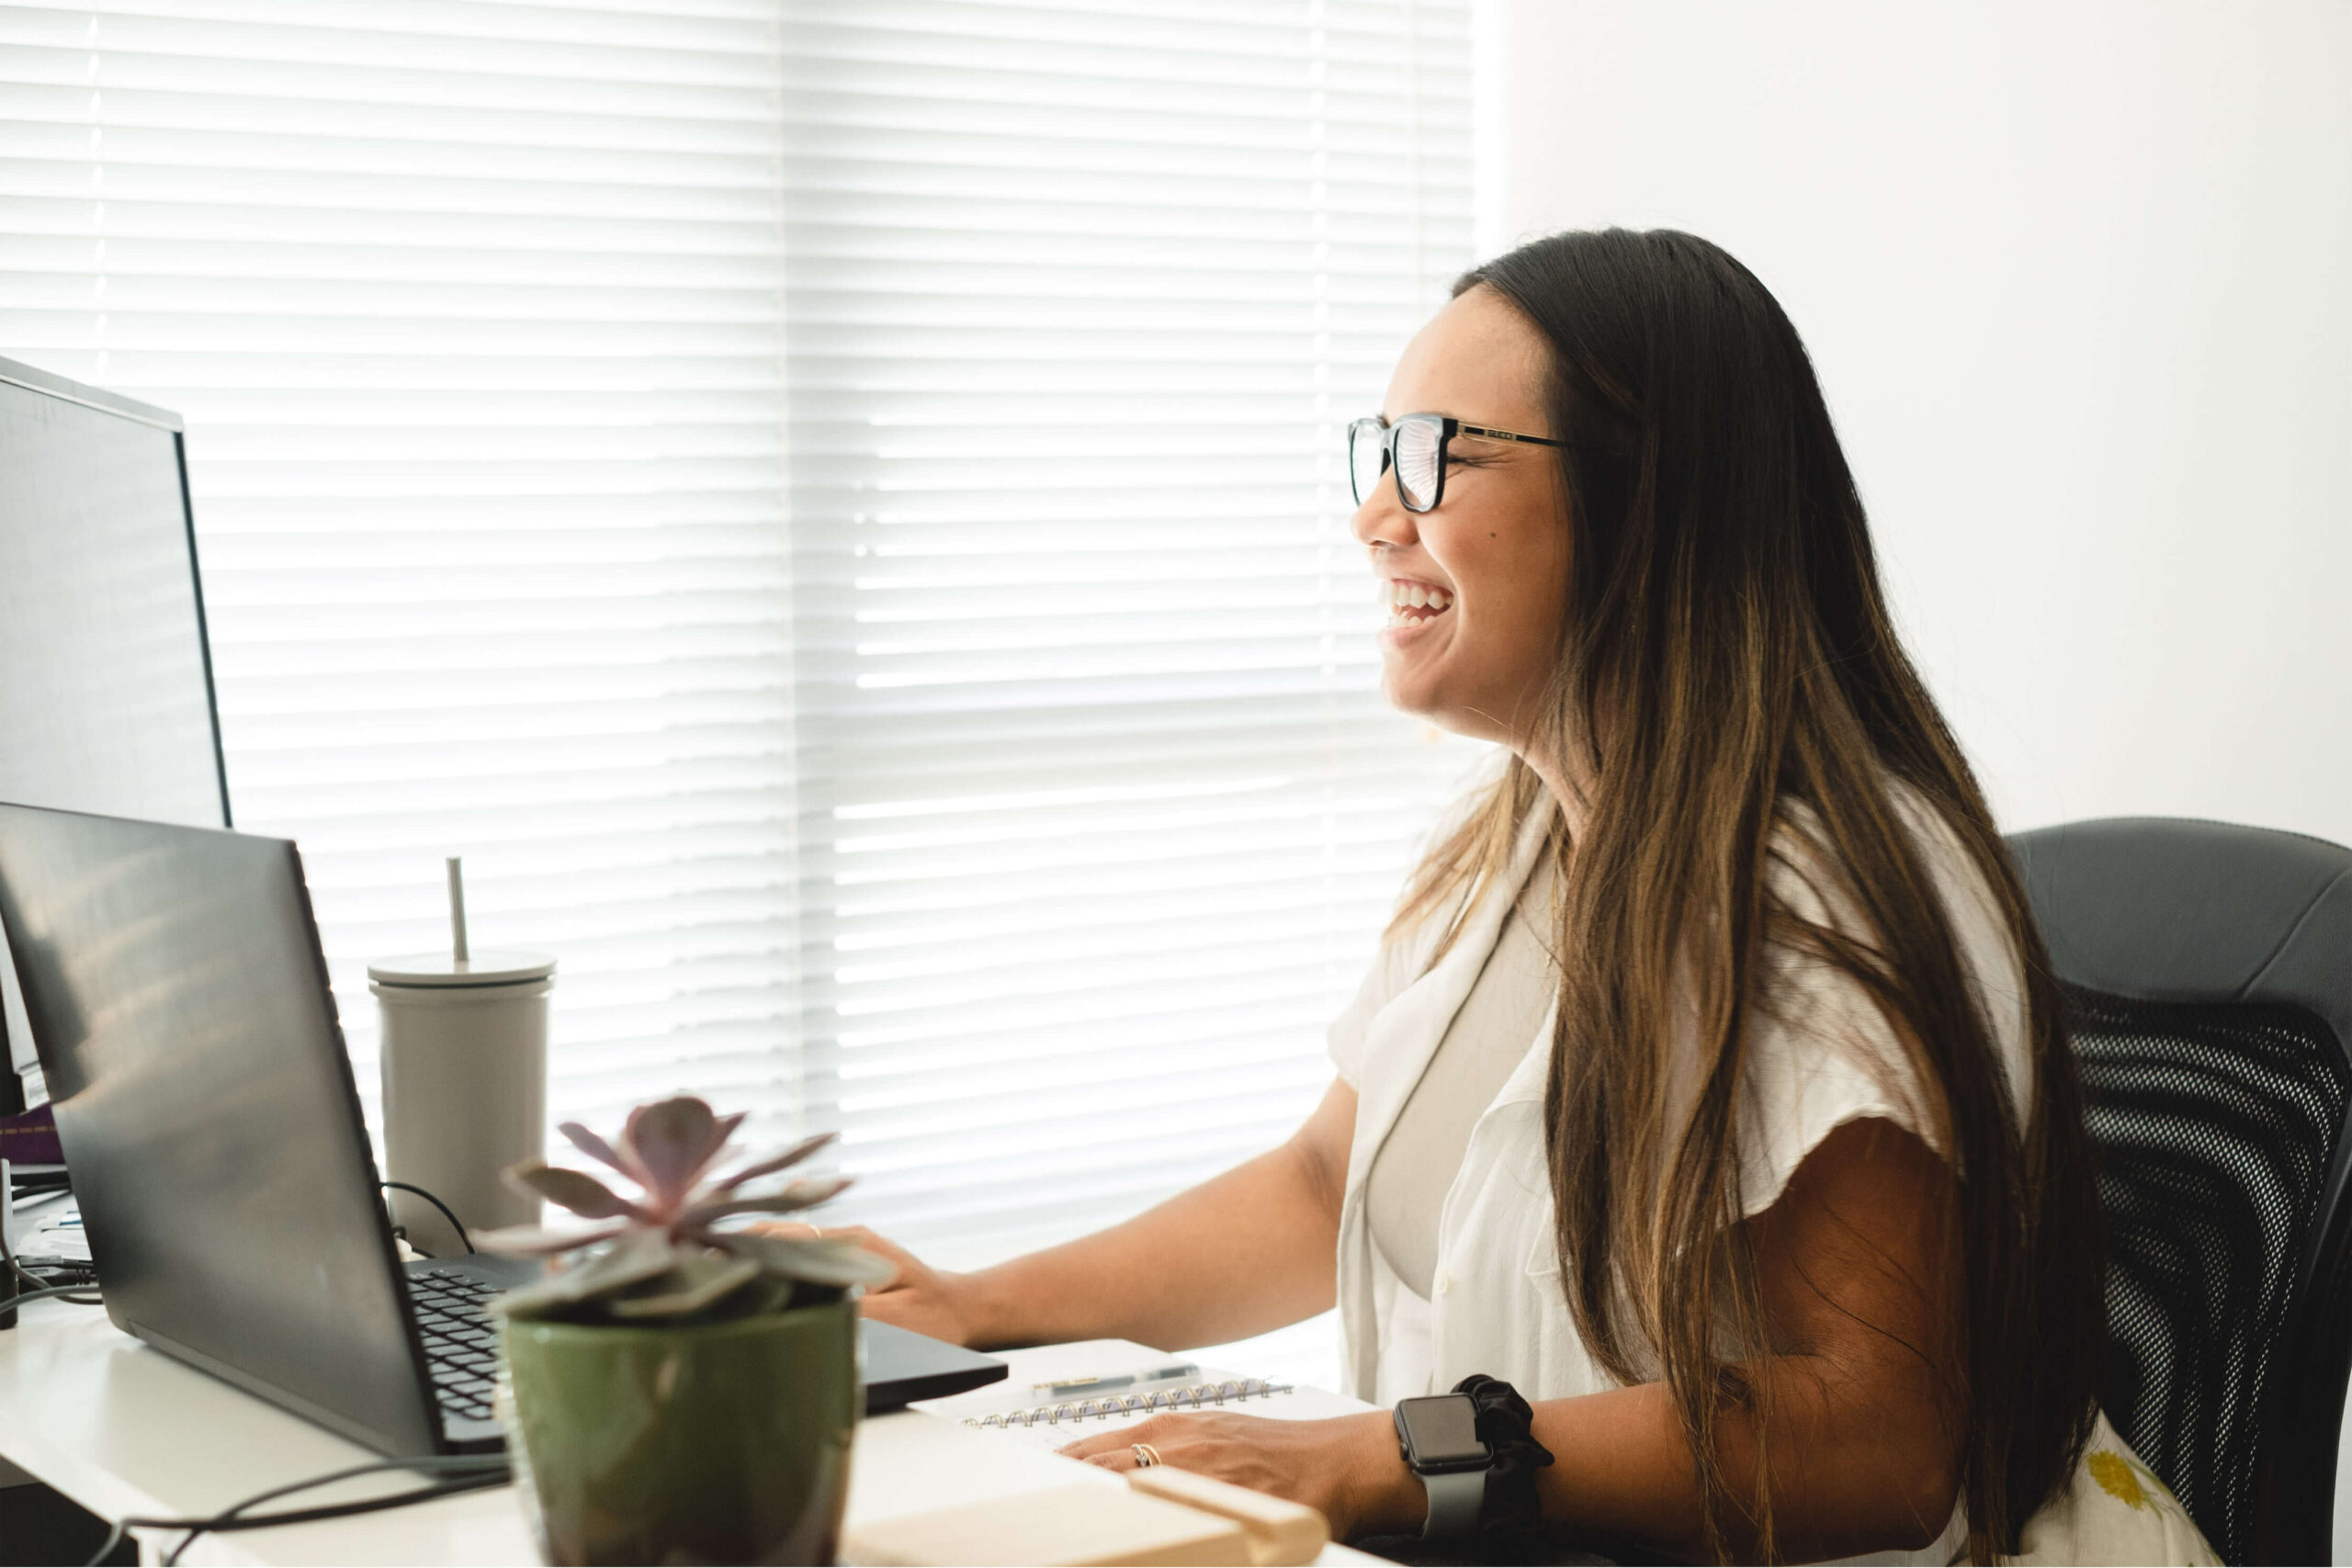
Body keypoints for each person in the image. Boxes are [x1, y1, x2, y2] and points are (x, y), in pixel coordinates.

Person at [813, 230, 2217, 1563]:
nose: (1375, 516)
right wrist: (972, 1307)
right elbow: (1326, 1188)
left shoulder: (1827, 897)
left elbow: (1882, 1432)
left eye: (1430, 459)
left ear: (1643, 501)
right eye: (1377, 454)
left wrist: (1382, 1456)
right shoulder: (1526, 843)